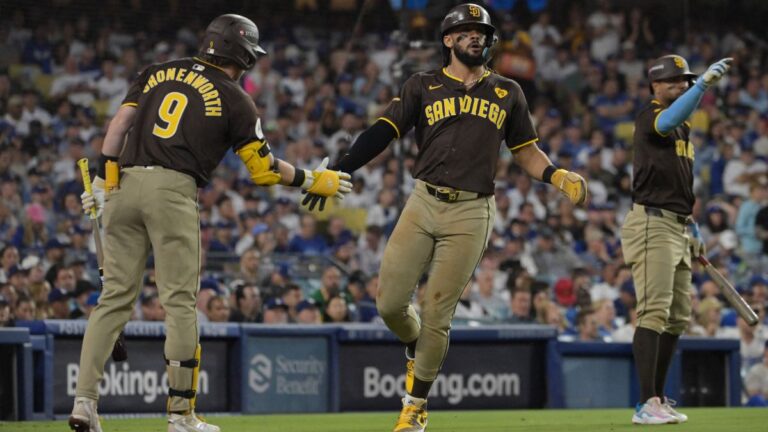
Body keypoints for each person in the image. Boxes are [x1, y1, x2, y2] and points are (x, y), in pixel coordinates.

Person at [303, 4, 587, 431]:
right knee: (390, 303)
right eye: (467, 31)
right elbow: (384, 129)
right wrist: (341, 168)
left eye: (481, 31)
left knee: (439, 312)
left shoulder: (508, 90)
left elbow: (525, 151)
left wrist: (555, 174)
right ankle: (418, 346)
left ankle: (414, 407)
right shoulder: (423, 85)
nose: (476, 37)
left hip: (472, 210)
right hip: (424, 200)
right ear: (448, 40)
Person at [69, 14, 350, 432]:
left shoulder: (157, 71)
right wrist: (312, 179)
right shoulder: (235, 97)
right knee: (179, 303)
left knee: (111, 301)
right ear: (243, 55)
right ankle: (181, 414)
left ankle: (84, 404)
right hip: (172, 191)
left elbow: (118, 128)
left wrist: (106, 179)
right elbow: (264, 171)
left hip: (122, 186)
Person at [620, 54, 732, 426]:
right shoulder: (650, 115)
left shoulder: (683, 130)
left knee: (678, 317)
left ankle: (658, 397)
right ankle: (644, 403)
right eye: (673, 82)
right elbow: (666, 120)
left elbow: (679, 185)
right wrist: (703, 87)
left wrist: (693, 225)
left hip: (678, 226)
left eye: (685, 81)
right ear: (655, 86)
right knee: (653, 311)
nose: (681, 86)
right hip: (652, 223)